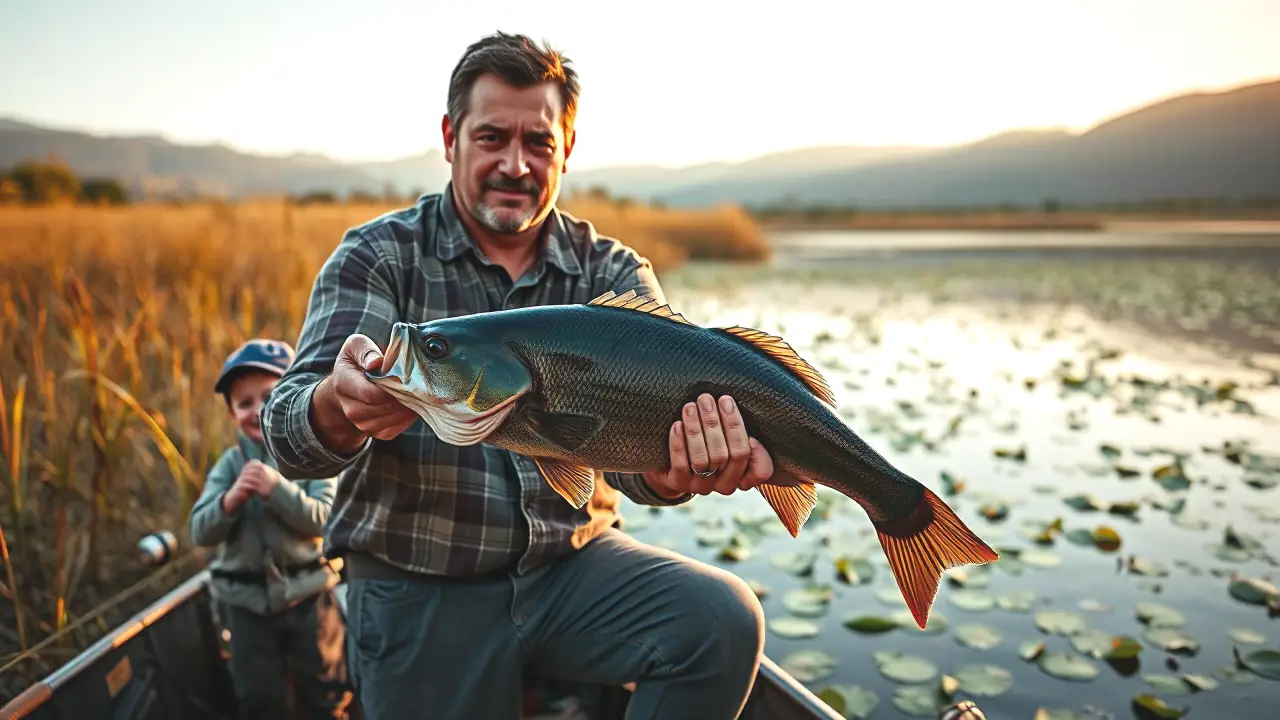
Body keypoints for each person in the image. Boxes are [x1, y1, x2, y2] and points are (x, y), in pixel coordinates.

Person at [260, 31, 982, 720]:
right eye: (491, 138)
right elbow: (286, 430)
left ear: (566, 149)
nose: (515, 162)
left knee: (722, 621)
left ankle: (901, 509)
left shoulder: (612, 270)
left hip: (572, 569)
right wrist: (335, 406)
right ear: (450, 139)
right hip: (421, 580)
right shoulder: (379, 256)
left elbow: (638, 469)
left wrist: (675, 474)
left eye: (537, 141)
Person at [189, 339, 352, 720]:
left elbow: (325, 520)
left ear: (293, 396)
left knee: (326, 692)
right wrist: (229, 502)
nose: (257, 410)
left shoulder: (314, 454)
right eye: (244, 403)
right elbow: (200, 531)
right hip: (247, 607)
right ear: (231, 414)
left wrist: (277, 489)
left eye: (269, 395)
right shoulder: (230, 467)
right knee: (259, 698)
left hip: (310, 599)